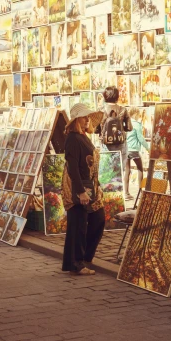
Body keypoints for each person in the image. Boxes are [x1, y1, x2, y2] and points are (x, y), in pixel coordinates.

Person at [62, 103, 105, 276]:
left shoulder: (83, 136)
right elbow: (73, 168)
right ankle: (76, 264)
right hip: (77, 186)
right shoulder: (72, 138)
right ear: (76, 120)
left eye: (88, 117)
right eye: (84, 117)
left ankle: (85, 257)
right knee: (78, 225)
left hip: (90, 185)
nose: (87, 120)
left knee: (98, 219)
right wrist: (80, 191)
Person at [98, 86, 133, 196]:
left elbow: (95, 129)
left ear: (105, 96)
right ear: (117, 97)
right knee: (118, 173)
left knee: (106, 172)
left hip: (105, 145)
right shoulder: (123, 110)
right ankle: (117, 199)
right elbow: (129, 128)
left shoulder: (101, 110)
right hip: (120, 145)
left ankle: (106, 197)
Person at [125, 107, 150, 201]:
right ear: (135, 114)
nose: (139, 116)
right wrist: (148, 148)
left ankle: (126, 193)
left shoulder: (126, 123)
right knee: (140, 169)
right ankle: (140, 192)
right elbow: (141, 138)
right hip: (134, 150)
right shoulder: (136, 124)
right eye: (138, 114)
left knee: (127, 171)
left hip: (126, 149)